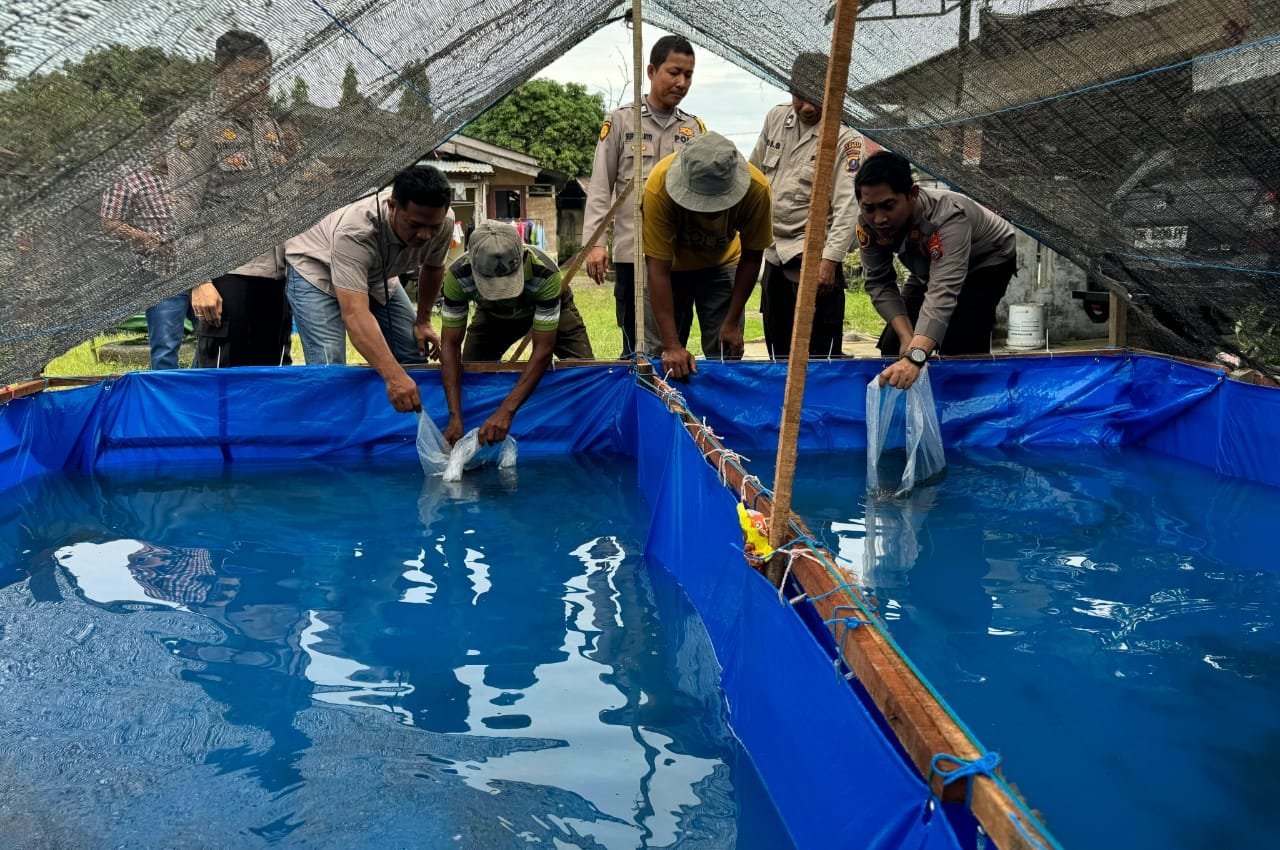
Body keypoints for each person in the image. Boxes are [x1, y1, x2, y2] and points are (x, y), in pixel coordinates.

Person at [169, 29, 293, 368]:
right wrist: (199, 281)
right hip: (226, 274)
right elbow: (184, 208)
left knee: (272, 372)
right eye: (245, 78)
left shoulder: (269, 127)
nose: (256, 88)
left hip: (276, 274)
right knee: (225, 377)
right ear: (219, 71)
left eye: (264, 78)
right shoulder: (195, 127)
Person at [285, 164, 454, 413]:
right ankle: (336, 438)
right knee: (330, 366)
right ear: (392, 207)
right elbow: (355, 314)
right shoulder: (356, 230)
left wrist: (424, 321)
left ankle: (401, 434)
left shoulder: (443, 222)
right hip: (316, 268)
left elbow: (433, 267)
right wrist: (393, 377)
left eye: (433, 227)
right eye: (415, 225)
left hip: (377, 274)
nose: (425, 235)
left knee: (412, 355)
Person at [583, 35, 705, 356]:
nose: (681, 82)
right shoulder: (622, 120)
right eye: (674, 72)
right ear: (651, 71)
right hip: (632, 253)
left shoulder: (695, 129)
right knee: (635, 347)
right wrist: (596, 244)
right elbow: (600, 185)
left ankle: (667, 402)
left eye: (688, 75)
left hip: (678, 255)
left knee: (675, 342)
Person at [855, 150, 1016, 390]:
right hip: (929, 267)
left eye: (888, 206)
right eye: (869, 208)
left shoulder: (948, 217)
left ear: (912, 194)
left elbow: (943, 291)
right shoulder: (866, 225)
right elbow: (879, 282)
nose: (879, 219)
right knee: (893, 343)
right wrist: (907, 338)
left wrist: (916, 355)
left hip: (987, 261)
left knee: (960, 343)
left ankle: (967, 409)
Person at [749, 51, 864, 359]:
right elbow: (753, 177)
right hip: (774, 254)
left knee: (818, 359)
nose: (808, 106)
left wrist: (829, 262)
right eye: (801, 96)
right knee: (779, 353)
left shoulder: (846, 139)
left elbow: (847, 207)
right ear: (790, 88)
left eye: (818, 97)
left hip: (813, 261)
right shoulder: (776, 117)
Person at [438, 221, 590, 445]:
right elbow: (450, 344)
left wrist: (507, 411)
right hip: (492, 315)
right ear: (473, 266)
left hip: (544, 304)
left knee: (585, 371)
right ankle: (475, 429)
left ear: (523, 257)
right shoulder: (457, 278)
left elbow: (543, 349)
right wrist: (454, 415)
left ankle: (580, 436)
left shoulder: (545, 273)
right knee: (472, 373)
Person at [642, 131, 773, 379]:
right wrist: (671, 345)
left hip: (722, 266)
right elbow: (657, 269)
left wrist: (732, 321)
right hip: (671, 270)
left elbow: (752, 257)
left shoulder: (757, 189)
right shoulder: (658, 187)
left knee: (726, 352)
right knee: (661, 355)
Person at [100, 150, 191, 370]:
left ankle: (200, 395)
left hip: (201, 270)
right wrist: (144, 238)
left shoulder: (191, 172)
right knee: (165, 347)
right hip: (160, 272)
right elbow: (109, 222)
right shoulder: (129, 179)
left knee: (214, 338)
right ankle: (165, 400)